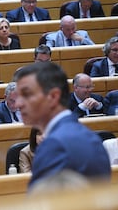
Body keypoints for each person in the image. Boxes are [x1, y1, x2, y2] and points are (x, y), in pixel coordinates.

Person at [14, 61, 111, 190]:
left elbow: (41, 205)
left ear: (53, 96)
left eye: (27, 94)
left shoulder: (54, 144)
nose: (18, 104)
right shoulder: (86, 135)